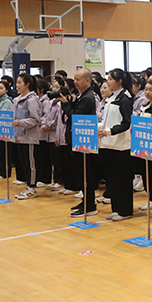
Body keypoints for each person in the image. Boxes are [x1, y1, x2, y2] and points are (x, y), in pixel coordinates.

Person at [99, 69, 134, 222]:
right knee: (112, 180)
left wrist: (109, 131)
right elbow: (106, 121)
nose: (108, 82)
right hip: (108, 144)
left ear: (120, 81)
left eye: (111, 79)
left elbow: (126, 123)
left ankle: (125, 210)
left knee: (122, 180)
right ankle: (116, 208)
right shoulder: (111, 98)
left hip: (121, 146)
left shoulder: (125, 99)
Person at [64, 69, 100, 217]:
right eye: (74, 79)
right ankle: (86, 201)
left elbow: (76, 117)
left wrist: (66, 105)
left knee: (85, 173)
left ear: (87, 80)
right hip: (78, 139)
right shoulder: (81, 95)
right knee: (80, 173)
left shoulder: (88, 98)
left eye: (78, 79)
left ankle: (90, 205)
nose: (75, 82)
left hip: (84, 141)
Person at [11, 73, 42, 199]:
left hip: (29, 137)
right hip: (19, 136)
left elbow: (35, 119)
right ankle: (28, 185)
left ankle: (32, 188)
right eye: (16, 82)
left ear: (27, 84)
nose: (17, 85)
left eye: (20, 82)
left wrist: (20, 123)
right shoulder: (16, 100)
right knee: (24, 163)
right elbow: (13, 116)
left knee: (30, 164)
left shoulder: (32, 100)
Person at [136, 78, 152, 212]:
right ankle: (150, 197)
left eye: (151, 90)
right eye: (146, 89)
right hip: (143, 144)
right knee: (144, 171)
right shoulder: (144, 105)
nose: (147, 92)